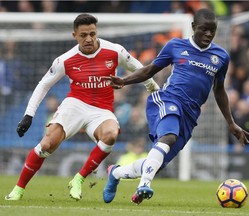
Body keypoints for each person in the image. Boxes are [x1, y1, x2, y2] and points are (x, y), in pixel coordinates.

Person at [102, 8, 249, 205]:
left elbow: (219, 89)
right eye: (204, 29)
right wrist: (124, 81)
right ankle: (144, 185)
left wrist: (231, 123)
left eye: (212, 30)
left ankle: (116, 172)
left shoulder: (221, 56)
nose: (208, 34)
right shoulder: (175, 46)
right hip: (168, 100)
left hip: (190, 114)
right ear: (193, 27)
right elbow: (149, 70)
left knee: (157, 163)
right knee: (169, 137)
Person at [5, 13, 159, 201]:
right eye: (83, 35)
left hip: (102, 109)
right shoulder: (66, 60)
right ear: (74, 36)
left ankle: (78, 179)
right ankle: (18, 190)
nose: (89, 39)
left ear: (97, 32)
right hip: (75, 105)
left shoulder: (115, 51)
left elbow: (140, 69)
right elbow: (44, 84)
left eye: (92, 34)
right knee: (47, 144)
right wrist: (28, 115)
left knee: (111, 135)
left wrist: (153, 88)